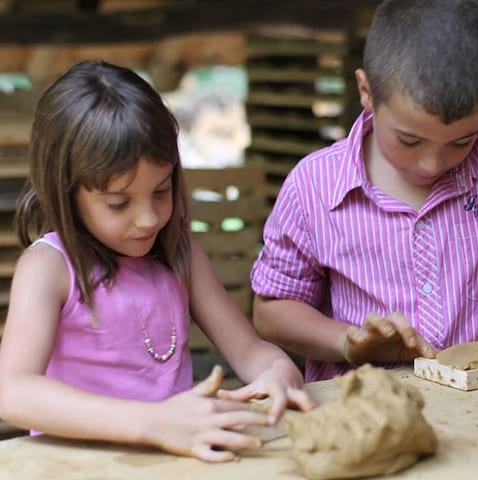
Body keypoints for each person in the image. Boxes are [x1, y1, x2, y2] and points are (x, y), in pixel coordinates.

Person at [250, 0, 478, 382]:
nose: (432, 164)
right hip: (363, 409)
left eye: (462, 141)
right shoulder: (314, 186)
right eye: (409, 140)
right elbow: (272, 310)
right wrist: (347, 342)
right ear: (366, 91)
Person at [0, 61, 312, 463]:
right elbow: (12, 391)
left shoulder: (180, 253)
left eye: (161, 191)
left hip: (176, 464)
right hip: (79, 469)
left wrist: (277, 372)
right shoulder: (50, 268)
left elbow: (250, 350)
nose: (148, 218)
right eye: (119, 203)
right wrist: (154, 422)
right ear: (65, 193)